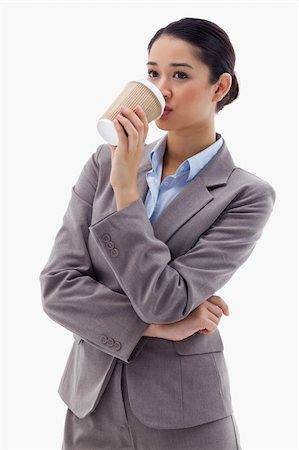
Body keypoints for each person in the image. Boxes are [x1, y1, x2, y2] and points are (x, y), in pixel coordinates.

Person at [39, 17, 276, 450]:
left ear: (219, 87)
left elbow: (164, 300)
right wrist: (154, 328)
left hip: (185, 415)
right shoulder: (102, 164)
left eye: (180, 75)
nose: (160, 90)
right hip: (91, 403)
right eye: (152, 73)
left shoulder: (246, 195)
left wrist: (127, 190)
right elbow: (56, 288)